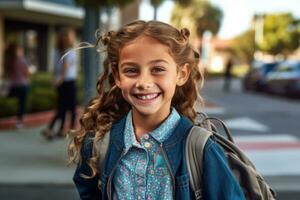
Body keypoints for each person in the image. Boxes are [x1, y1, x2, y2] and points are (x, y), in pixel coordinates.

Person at [68, 20, 245, 200]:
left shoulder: (201, 148)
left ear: (181, 74)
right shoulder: (99, 143)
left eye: (158, 69)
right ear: (117, 76)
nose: (143, 83)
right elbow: (88, 190)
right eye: (131, 70)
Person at [42, 27, 78, 140]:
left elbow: (54, 68)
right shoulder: (69, 51)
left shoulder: (55, 51)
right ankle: (69, 131)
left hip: (59, 82)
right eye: (71, 35)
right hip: (68, 81)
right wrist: (61, 79)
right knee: (72, 109)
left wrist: (55, 80)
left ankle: (57, 130)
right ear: (68, 38)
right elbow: (65, 68)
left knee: (61, 108)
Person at [4, 43, 31, 128]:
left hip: (12, 86)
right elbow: (27, 72)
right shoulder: (22, 60)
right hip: (23, 86)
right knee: (21, 105)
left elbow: (6, 74)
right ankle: (19, 122)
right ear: (17, 51)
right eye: (20, 50)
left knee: (9, 101)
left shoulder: (8, 61)